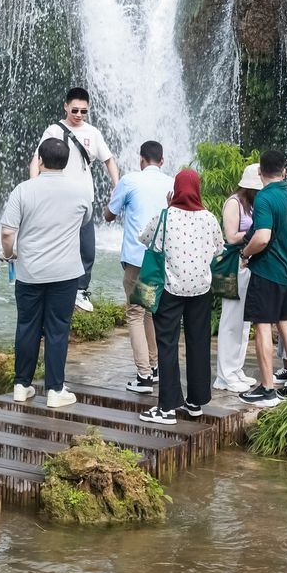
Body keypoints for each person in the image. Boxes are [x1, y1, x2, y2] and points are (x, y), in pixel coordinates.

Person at [3, 137, 93, 408]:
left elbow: (8, 233)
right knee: (57, 329)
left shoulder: (23, 190)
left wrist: (10, 254)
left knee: (27, 326)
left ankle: (22, 385)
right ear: (66, 163)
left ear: (39, 161)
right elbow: (84, 221)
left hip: (30, 272)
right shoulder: (81, 192)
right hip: (65, 274)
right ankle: (55, 390)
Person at [138, 169, 221, 423]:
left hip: (171, 289)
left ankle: (167, 408)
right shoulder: (209, 218)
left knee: (168, 343)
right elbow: (219, 249)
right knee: (199, 343)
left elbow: (144, 239)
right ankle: (195, 402)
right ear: (197, 190)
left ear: (175, 190)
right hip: (200, 290)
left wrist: (168, 207)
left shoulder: (166, 216)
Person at [28, 86, 119, 312]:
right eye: (75, 110)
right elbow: (36, 158)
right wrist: (34, 186)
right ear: (65, 106)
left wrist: (116, 185)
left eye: (83, 111)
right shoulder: (53, 130)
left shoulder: (93, 133)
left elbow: (109, 160)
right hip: (56, 200)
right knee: (56, 245)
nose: (79, 115)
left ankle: (80, 291)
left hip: (83, 199)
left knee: (86, 248)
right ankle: (53, 289)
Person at [104, 140, 175, 393]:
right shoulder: (171, 183)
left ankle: (143, 376)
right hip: (161, 258)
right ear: (163, 161)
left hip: (136, 258)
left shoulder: (130, 180)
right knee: (149, 311)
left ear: (141, 160)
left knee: (135, 313)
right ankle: (153, 366)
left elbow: (109, 215)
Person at [238, 151, 287, 407]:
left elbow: (263, 237)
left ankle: (267, 388)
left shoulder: (265, 198)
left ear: (260, 173)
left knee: (263, 326)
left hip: (268, 271)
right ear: (285, 172)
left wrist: (245, 254)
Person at [214, 164, 262, 393]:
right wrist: (259, 232)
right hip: (234, 264)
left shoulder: (252, 205)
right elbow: (231, 237)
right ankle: (224, 375)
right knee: (231, 321)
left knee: (244, 322)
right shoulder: (234, 203)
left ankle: (236, 369)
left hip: (248, 263)